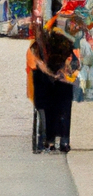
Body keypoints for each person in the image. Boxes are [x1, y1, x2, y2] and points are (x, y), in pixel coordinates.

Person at [26, 19, 79, 152]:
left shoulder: (39, 46)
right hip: (63, 82)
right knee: (64, 112)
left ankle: (50, 141)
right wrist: (64, 72)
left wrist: (49, 73)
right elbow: (75, 64)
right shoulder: (68, 43)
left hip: (47, 82)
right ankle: (63, 141)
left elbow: (36, 64)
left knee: (50, 111)